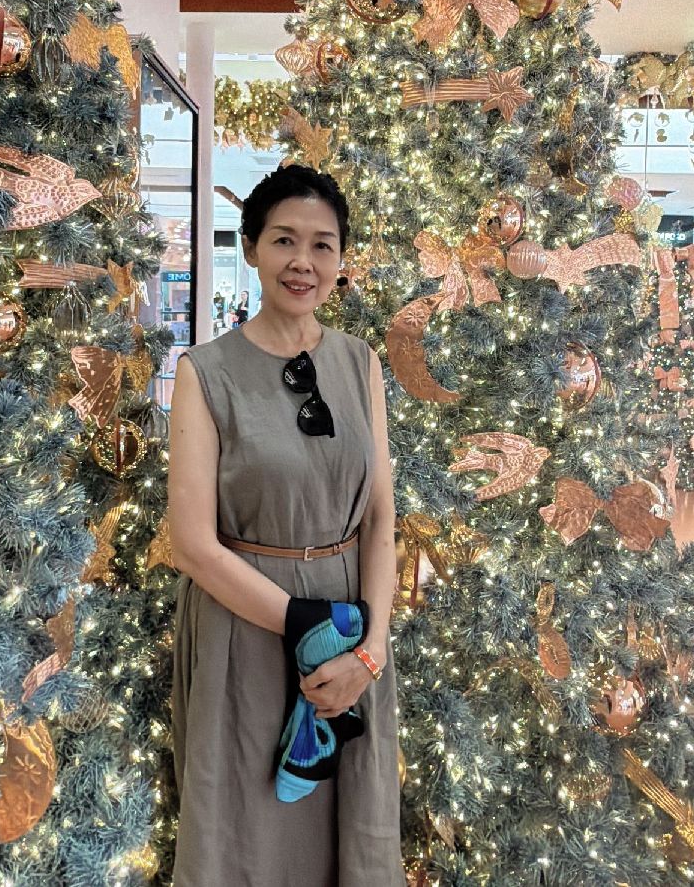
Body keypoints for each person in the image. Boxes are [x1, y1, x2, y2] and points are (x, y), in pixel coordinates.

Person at [168, 165, 404, 886]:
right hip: (245, 628)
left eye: (322, 245)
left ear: (340, 259)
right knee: (246, 832)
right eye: (284, 240)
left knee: (348, 829)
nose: (303, 262)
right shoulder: (205, 372)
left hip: (351, 637)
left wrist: (370, 652)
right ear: (251, 248)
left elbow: (381, 515)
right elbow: (192, 544)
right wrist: (303, 623)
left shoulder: (360, 363)